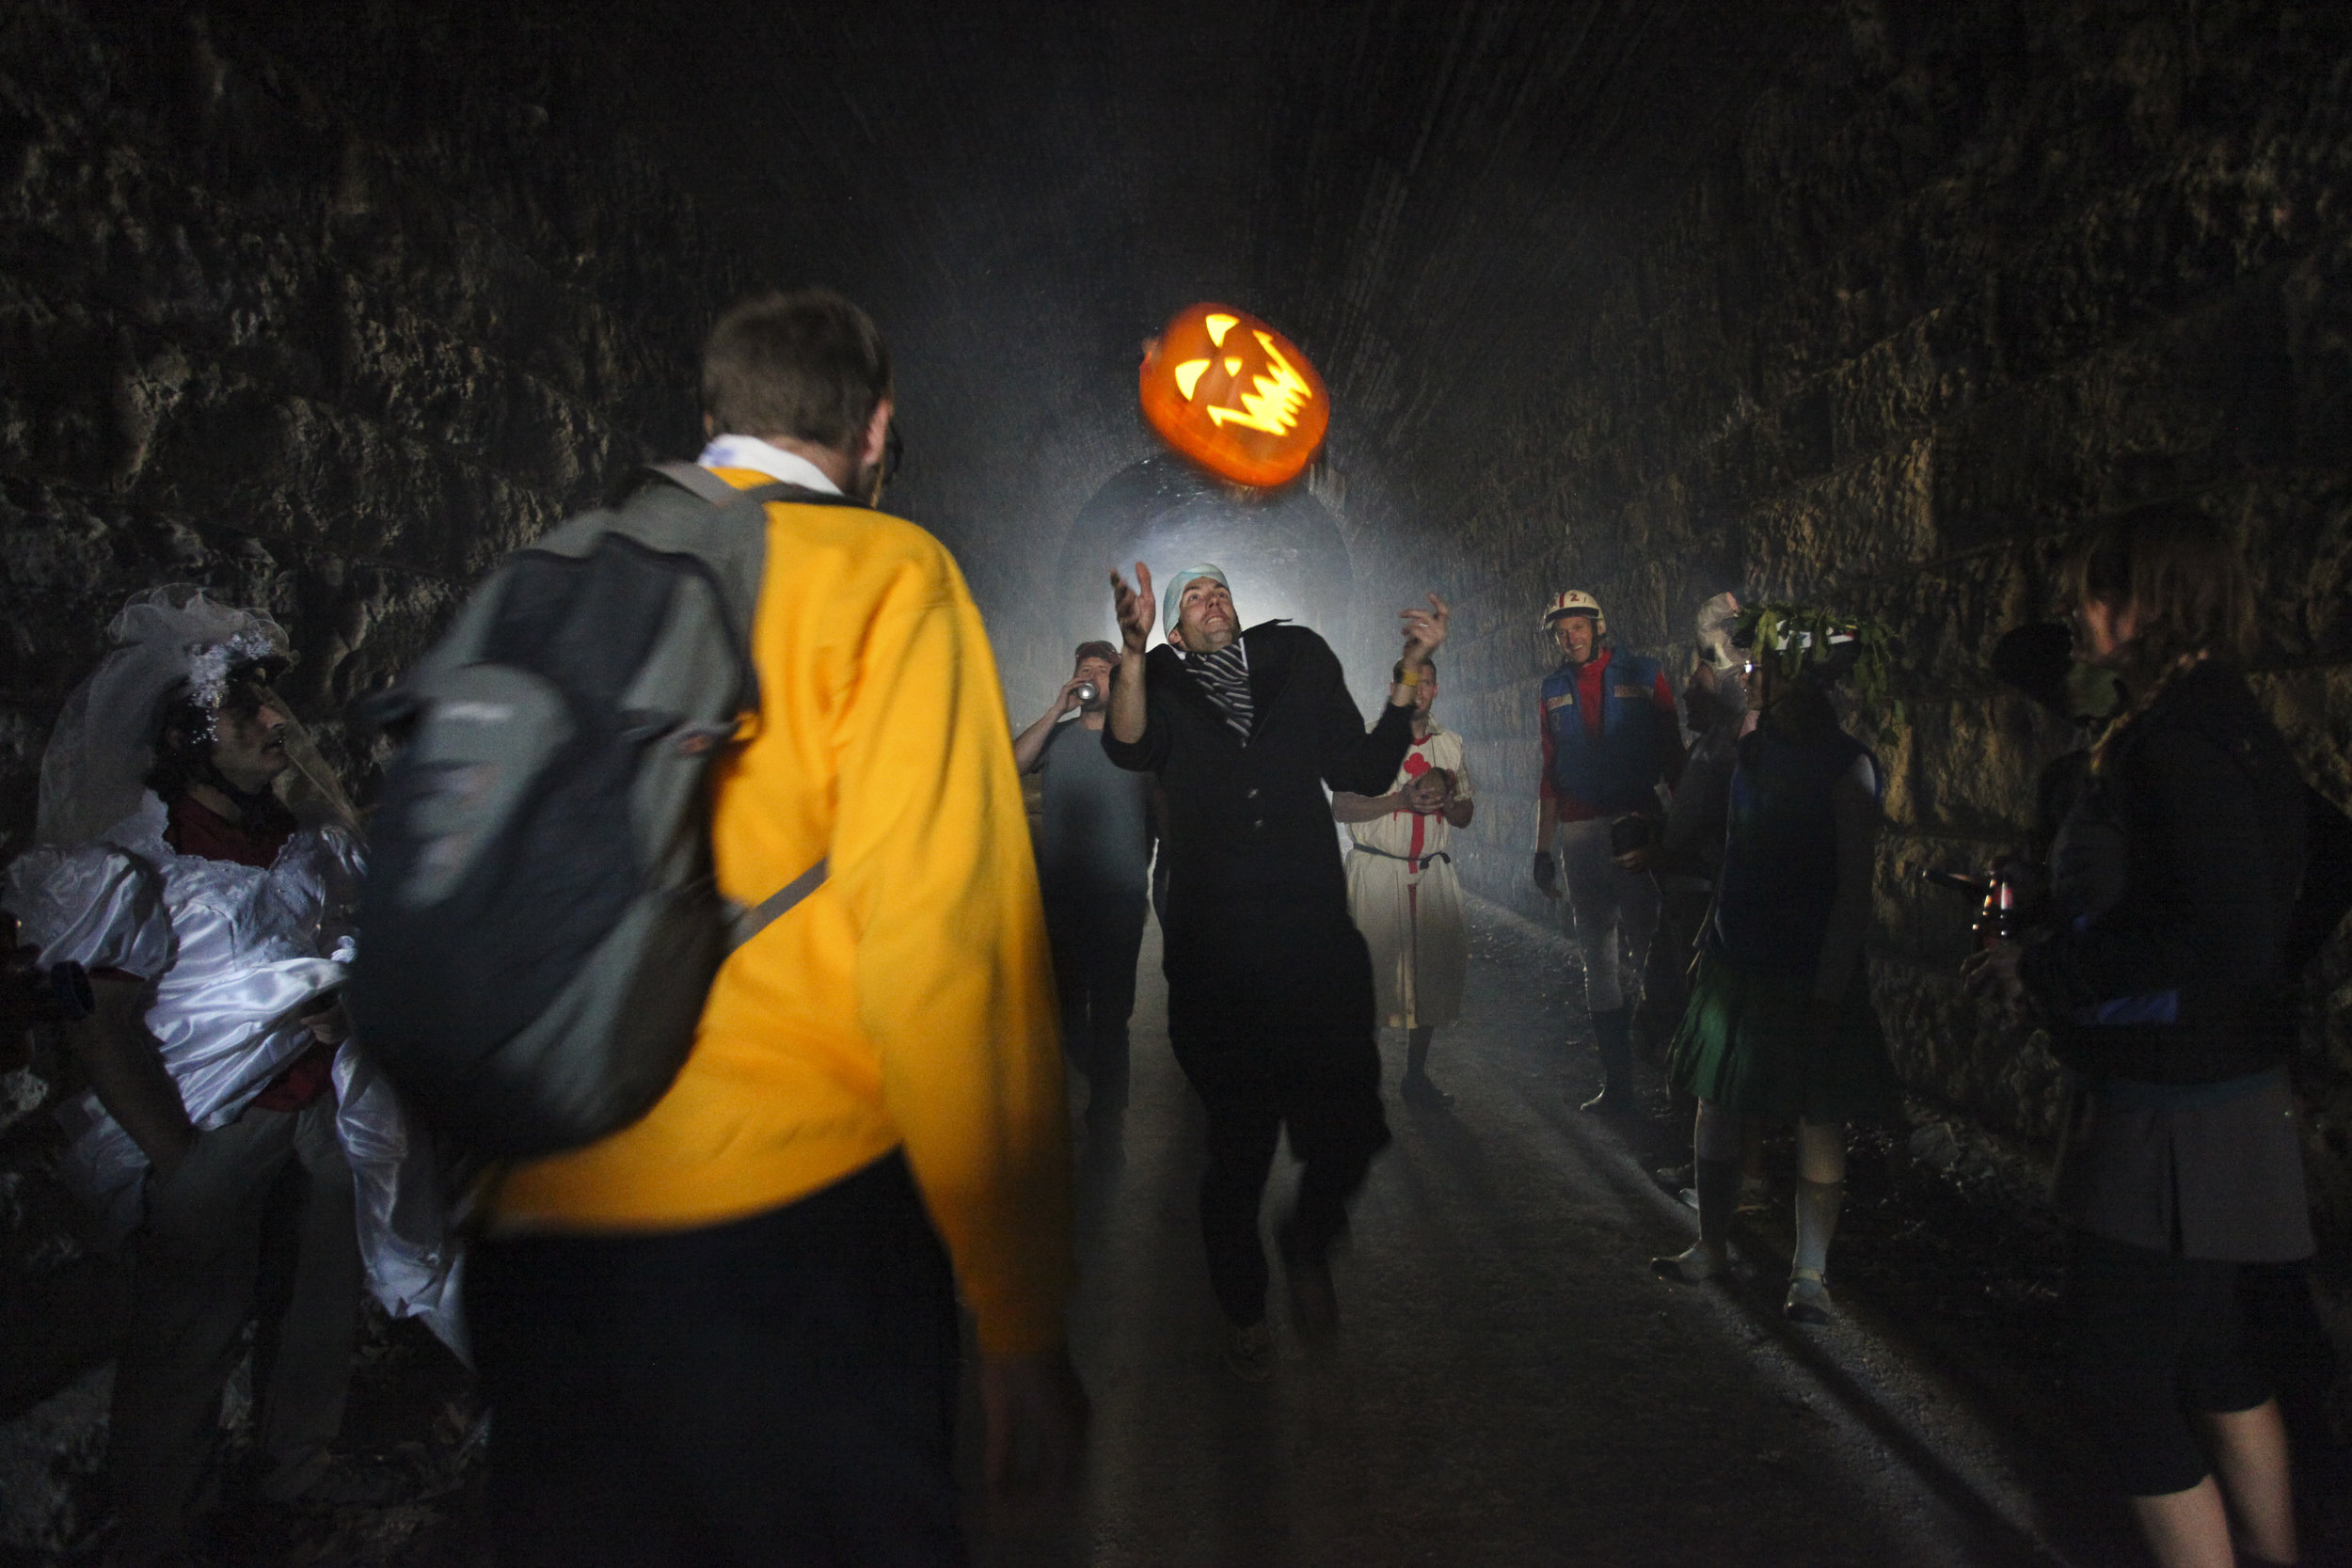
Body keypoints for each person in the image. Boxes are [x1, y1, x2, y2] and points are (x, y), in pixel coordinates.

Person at [468, 289, 1084, 1568]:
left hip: (541, 1230)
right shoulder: (891, 578)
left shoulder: (558, 568)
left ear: (709, 422)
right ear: (876, 431)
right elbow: (949, 966)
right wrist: (1015, 1314)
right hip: (793, 1245)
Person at [3, 587, 452, 1565]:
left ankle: (293, 1474)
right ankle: (166, 1521)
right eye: (242, 707)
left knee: (316, 1302)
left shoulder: (303, 847)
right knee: (187, 1335)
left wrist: (349, 1011)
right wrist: (177, 1158)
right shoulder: (139, 862)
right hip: (206, 1121)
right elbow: (104, 1022)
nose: (272, 721)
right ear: (187, 734)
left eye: (268, 702)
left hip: (316, 1104)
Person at [1964, 506, 2310, 1568]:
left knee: (2119, 1383)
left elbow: (2224, 928)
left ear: (2158, 603)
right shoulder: (2219, 717)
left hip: (2172, 1116)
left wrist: (2048, 970)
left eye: (2098, 597)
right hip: (2208, 1088)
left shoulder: (2175, 739)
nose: (2080, 615)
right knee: (2210, 1356)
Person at [1104, 562, 1446, 1379]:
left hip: (1314, 948)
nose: (1211, 598)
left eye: (1219, 588)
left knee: (1354, 1128)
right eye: (1193, 596)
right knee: (1239, 1146)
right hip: (1219, 961)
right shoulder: (1159, 680)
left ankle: (1305, 1237)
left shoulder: (1298, 659)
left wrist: (1408, 668)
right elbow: (1128, 745)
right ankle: (1243, 1299)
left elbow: (1362, 769)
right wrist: (1130, 646)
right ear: (1176, 631)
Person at [1651, 604, 1899, 1324]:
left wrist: (1829, 988)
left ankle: (1810, 1273)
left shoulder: (1847, 765)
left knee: (1818, 1115)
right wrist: (1709, 939)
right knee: (1717, 1100)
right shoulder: (1751, 752)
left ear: (1796, 679)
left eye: (1762, 668)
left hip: (1804, 966)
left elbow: (1852, 889)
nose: (1748, 676)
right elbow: (1738, 850)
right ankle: (1712, 1244)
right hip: (1740, 957)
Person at [1529, 589, 1685, 1112]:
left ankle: (1674, 1078)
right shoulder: (1552, 689)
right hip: (1578, 829)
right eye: (1561, 630)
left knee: (1648, 945)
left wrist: (1682, 831)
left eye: (1578, 626)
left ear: (1597, 626)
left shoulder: (1643, 674)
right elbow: (1550, 772)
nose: (1570, 637)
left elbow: (1672, 752)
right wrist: (1542, 849)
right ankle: (1617, 1085)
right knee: (1596, 952)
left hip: (1632, 822)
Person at [1012, 640, 1155, 1162]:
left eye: (1103, 669)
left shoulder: (1135, 743)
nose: (1093, 674)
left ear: (1118, 681)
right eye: (1085, 669)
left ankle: (1106, 1109)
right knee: (1068, 1011)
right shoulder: (1060, 737)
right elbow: (1010, 765)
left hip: (1118, 898)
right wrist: (1056, 709)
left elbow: (1164, 807)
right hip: (1063, 898)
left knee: (1112, 1012)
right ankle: (1095, 1079)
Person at [1334, 657, 1475, 1106]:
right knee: (1368, 980)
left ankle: (1415, 1077)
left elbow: (1466, 813)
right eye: (1410, 683)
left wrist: (1447, 803)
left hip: (1430, 872)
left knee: (1429, 977)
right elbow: (1342, 807)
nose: (1419, 692)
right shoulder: (1366, 742)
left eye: (1427, 683)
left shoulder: (1450, 745)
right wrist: (1400, 801)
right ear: (1392, 686)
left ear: (1436, 689)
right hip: (1377, 873)